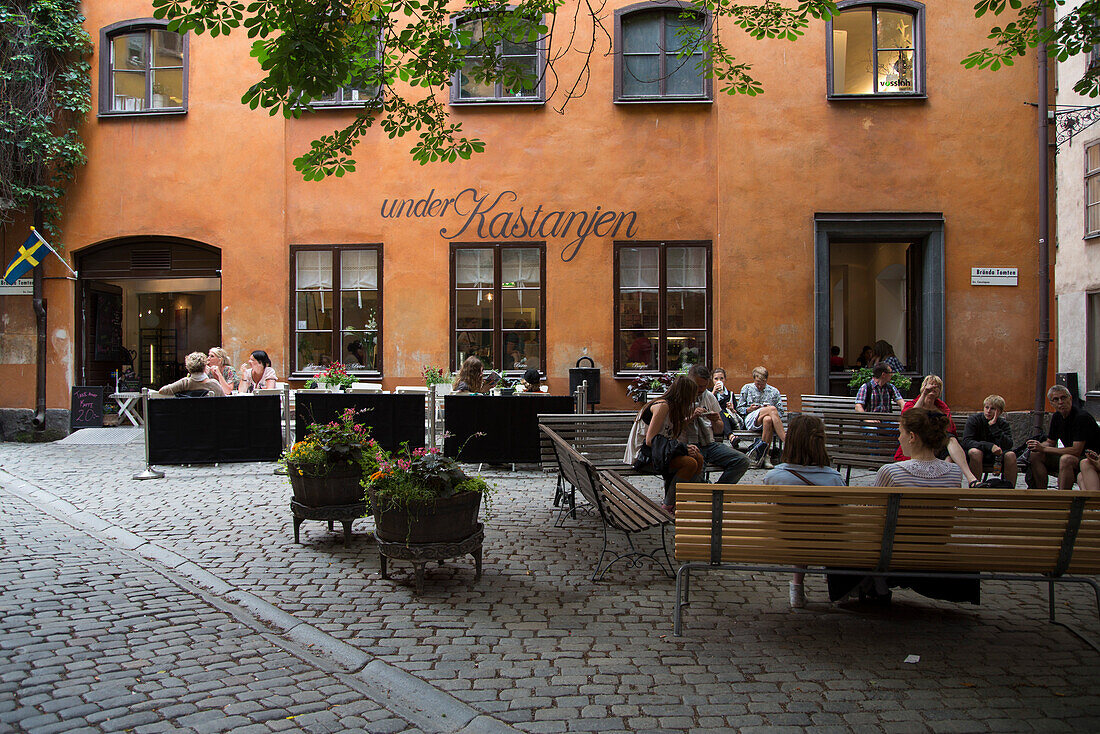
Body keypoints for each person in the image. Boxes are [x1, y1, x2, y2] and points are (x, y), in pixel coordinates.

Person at [830, 408, 979, 605]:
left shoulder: (892, 472)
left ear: (912, 437)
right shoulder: (953, 472)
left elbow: (872, 517)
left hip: (891, 551)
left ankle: (872, 582)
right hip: (934, 547)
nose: (898, 438)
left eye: (900, 432)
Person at [763, 415, 845, 608]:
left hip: (785, 539)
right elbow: (841, 517)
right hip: (825, 539)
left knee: (799, 531)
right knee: (823, 529)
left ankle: (796, 588)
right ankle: (839, 586)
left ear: (790, 442)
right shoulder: (834, 479)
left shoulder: (774, 477)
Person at [632, 375, 707, 513]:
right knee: (689, 463)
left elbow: (669, 434)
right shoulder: (662, 406)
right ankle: (668, 506)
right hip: (644, 456)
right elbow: (650, 440)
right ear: (684, 395)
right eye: (692, 396)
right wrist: (683, 448)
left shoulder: (673, 408)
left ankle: (691, 500)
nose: (693, 400)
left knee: (698, 457)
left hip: (659, 454)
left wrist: (686, 447)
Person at [892, 375, 980, 487]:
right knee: (948, 450)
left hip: (938, 444)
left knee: (950, 444)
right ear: (923, 387)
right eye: (929, 385)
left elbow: (947, 430)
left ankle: (970, 479)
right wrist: (924, 394)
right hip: (917, 443)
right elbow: (908, 420)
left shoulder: (942, 408)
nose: (933, 388)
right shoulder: (912, 404)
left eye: (937, 386)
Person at [1026, 385, 1100, 490]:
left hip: (1089, 459)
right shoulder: (1057, 417)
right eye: (1056, 399)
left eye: (1063, 398)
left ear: (1070, 398)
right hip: (1075, 456)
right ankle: (1041, 493)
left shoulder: (1081, 417)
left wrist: (1044, 448)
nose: (1060, 402)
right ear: (1051, 403)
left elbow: (1076, 451)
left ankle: (1062, 498)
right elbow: (1050, 442)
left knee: (1066, 459)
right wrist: (1037, 446)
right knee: (1035, 455)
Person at [961, 394, 1018, 488]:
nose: (988, 411)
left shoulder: (1003, 424)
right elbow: (967, 441)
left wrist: (994, 428)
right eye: (986, 407)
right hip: (977, 455)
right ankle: (975, 487)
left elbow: (1008, 445)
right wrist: (989, 446)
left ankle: (1010, 490)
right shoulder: (974, 420)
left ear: (999, 411)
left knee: (1011, 455)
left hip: (997, 457)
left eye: (993, 409)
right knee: (975, 452)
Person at [736, 366, 787, 468]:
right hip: (751, 419)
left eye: (762, 383)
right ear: (753, 379)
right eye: (757, 383)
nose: (759, 386)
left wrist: (768, 411)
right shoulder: (747, 388)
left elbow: (781, 412)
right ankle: (787, 441)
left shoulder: (774, 391)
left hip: (765, 421)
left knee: (768, 419)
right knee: (772, 409)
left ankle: (764, 456)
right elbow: (739, 409)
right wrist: (749, 409)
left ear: (766, 380)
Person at [159, 352, 225, 396]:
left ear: (188, 368)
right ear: (205, 367)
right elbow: (224, 402)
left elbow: (162, 391)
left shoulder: (184, 383)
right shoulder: (213, 384)